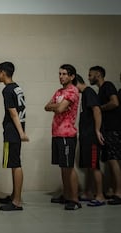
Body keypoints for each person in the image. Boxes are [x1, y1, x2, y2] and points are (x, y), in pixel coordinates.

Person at [44, 64, 81, 210]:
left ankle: (75, 199)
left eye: (64, 74)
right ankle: (66, 195)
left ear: (72, 76)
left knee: (69, 167)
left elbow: (58, 108)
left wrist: (57, 106)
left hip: (67, 134)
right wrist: (57, 105)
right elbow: (47, 106)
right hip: (56, 133)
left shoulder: (73, 91)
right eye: (60, 74)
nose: (61, 76)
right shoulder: (59, 92)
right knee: (62, 167)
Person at [0, 62, 29, 211]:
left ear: (3, 73)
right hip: (16, 130)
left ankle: (17, 201)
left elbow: (13, 112)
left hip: (13, 131)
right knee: (13, 163)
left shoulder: (7, 90)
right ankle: (14, 195)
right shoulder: (17, 87)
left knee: (15, 164)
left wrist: (21, 133)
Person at [88, 65, 121, 205]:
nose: (89, 77)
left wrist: (99, 109)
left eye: (91, 75)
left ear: (98, 74)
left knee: (114, 160)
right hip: (107, 129)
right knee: (110, 160)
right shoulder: (101, 90)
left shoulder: (107, 85)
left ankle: (119, 193)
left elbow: (114, 102)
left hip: (113, 129)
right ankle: (113, 191)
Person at [74, 74, 106, 207]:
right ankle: (88, 192)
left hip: (92, 137)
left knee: (94, 165)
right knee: (89, 165)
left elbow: (97, 110)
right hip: (86, 136)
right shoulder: (85, 94)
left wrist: (97, 131)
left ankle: (100, 196)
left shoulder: (89, 92)